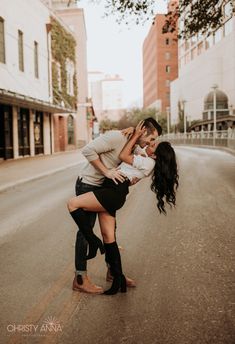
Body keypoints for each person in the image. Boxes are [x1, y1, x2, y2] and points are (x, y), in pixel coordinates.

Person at [68, 121, 179, 295]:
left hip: (107, 188)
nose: (151, 144)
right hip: (89, 184)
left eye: (154, 141)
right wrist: (107, 171)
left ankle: (114, 273)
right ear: (142, 132)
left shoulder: (135, 146)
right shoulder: (117, 137)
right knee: (85, 232)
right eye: (151, 139)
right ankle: (80, 278)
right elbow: (87, 150)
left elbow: (136, 164)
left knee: (109, 233)